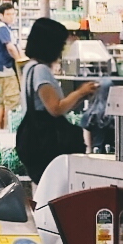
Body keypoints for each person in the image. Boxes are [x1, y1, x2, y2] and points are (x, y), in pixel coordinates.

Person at [15, 17, 97, 181]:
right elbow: (55, 108)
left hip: (35, 139)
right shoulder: (41, 71)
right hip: (47, 142)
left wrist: (78, 98)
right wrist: (81, 92)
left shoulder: (30, 68)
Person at [0, 1, 21, 128]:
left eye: (13, 14)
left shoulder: (6, 28)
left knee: (1, 101)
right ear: (1, 15)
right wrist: (20, 60)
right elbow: (11, 48)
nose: (11, 17)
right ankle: (9, 130)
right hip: (5, 70)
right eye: (8, 14)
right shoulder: (2, 28)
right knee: (12, 102)